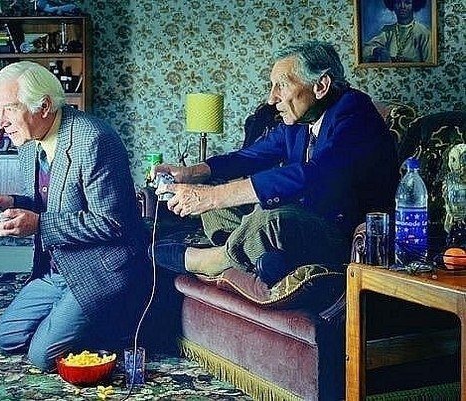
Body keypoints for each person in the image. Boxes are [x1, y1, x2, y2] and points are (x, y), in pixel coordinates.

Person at [152, 41, 399, 286]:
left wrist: (213, 196)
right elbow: (249, 157)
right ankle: (258, 254)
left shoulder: (354, 111)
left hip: (342, 235)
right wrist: (192, 173)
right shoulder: (299, 120)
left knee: (272, 219)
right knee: (221, 201)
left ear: (321, 86)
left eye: (281, 85)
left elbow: (316, 174)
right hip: (302, 223)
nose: (272, 99)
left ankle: (217, 259)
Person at [0, 61, 150, 372]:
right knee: (5, 338)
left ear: (44, 106)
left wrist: (38, 224)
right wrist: (10, 202)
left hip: (101, 270)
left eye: (10, 109)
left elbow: (112, 222)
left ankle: (113, 322)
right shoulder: (30, 142)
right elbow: (52, 201)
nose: (0, 123)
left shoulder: (94, 139)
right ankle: (74, 316)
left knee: (41, 356)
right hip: (58, 270)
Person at [362, 0, 432, 63]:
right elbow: (365, 50)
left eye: (407, 3)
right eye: (398, 2)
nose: (402, 7)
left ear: (414, 5)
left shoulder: (423, 33)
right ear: (392, 5)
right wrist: (376, 50)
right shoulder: (388, 31)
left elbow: (429, 63)